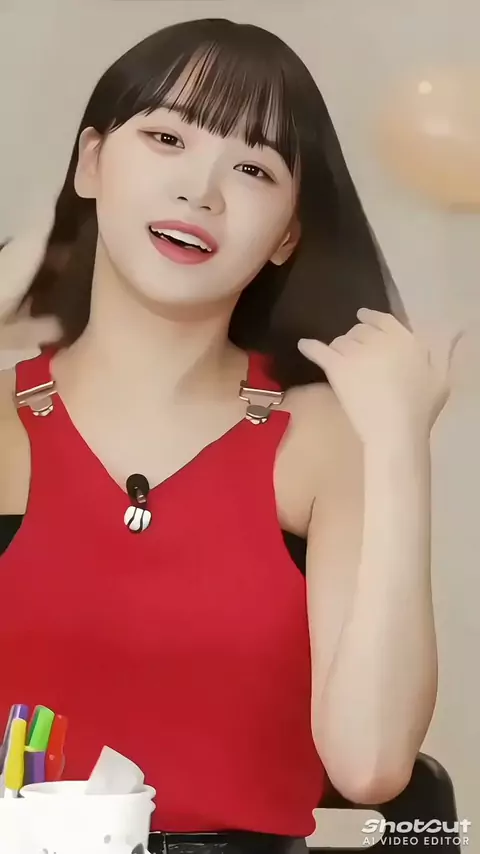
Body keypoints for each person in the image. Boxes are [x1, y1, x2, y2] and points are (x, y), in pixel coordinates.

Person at [0, 17, 458, 854]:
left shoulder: (327, 439)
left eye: (253, 168)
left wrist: (399, 447)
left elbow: (371, 766)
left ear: (287, 234)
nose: (201, 192)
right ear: (92, 162)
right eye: (167, 138)